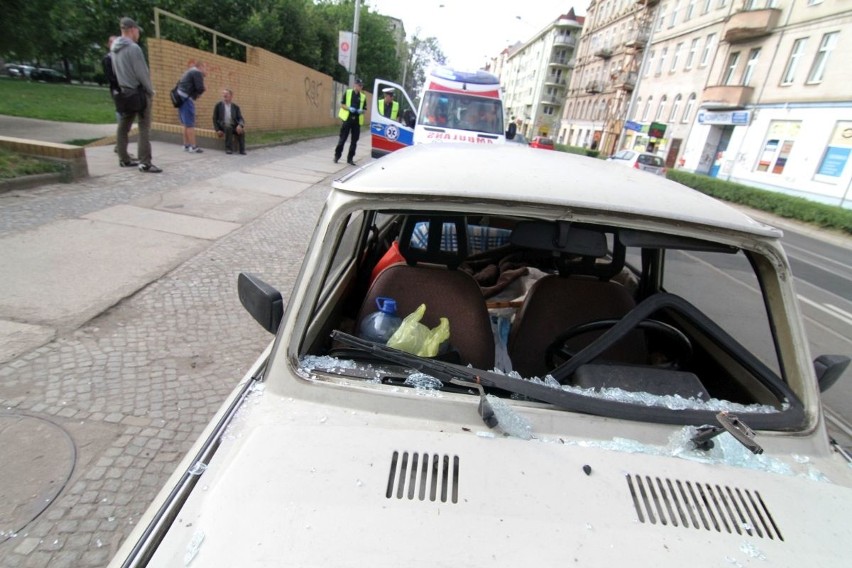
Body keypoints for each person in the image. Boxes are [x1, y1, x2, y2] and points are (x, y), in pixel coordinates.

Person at [111, 17, 161, 173]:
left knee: (123, 126)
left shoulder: (114, 48)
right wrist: (150, 90)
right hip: (138, 92)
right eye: (137, 30)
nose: (138, 34)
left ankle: (123, 158)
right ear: (132, 29)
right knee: (144, 126)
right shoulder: (133, 48)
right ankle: (145, 162)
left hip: (124, 91)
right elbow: (142, 73)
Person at [176, 61, 207, 153]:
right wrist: (203, 88)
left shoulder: (189, 71)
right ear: (200, 66)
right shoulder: (197, 72)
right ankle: (193, 146)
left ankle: (186, 145)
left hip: (181, 98)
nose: (205, 70)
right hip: (186, 99)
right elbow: (200, 88)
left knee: (186, 124)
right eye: (205, 68)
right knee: (190, 124)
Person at [334, 78, 366, 165]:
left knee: (354, 141)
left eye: (361, 86)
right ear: (355, 85)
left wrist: (361, 111)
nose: (361, 87)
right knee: (343, 139)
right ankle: (337, 156)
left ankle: (350, 158)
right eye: (359, 85)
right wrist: (349, 108)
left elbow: (364, 109)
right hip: (348, 119)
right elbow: (342, 104)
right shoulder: (348, 93)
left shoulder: (363, 96)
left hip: (357, 120)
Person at [212, 89, 246, 155]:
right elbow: (214, 118)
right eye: (223, 94)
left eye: (226, 94)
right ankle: (228, 149)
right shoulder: (218, 105)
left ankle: (242, 150)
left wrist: (240, 125)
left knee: (242, 131)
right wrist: (217, 130)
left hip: (233, 125)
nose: (224, 95)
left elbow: (241, 118)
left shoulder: (235, 107)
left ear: (231, 96)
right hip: (223, 125)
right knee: (228, 127)